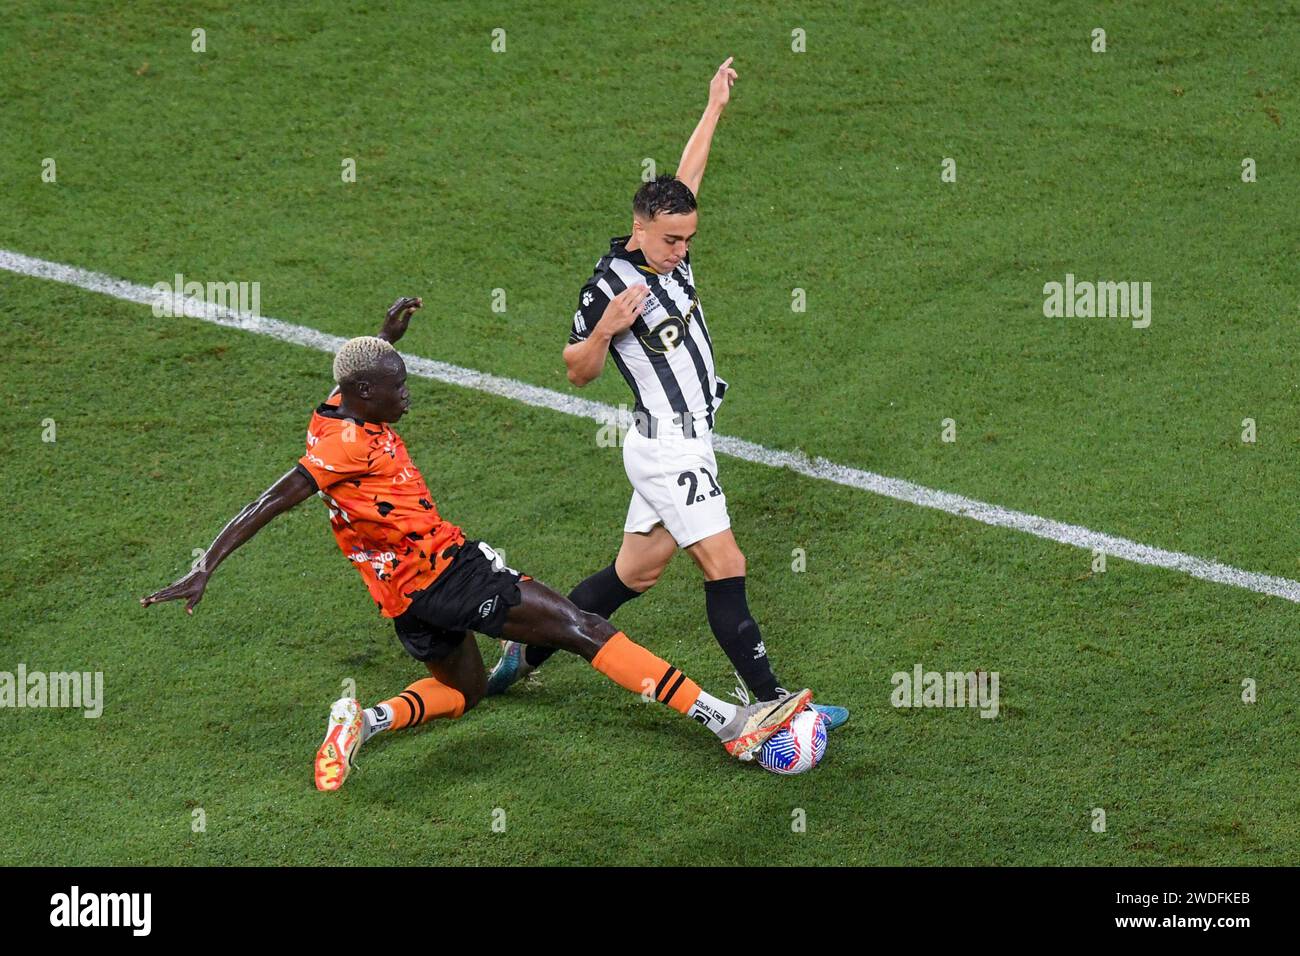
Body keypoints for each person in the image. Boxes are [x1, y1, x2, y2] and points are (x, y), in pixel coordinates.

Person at [141, 297, 814, 791]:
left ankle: (363, 720)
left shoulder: (334, 408)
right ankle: (728, 722)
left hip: (402, 599)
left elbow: (356, 377)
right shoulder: (342, 446)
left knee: (464, 691)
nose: (407, 396)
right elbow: (274, 498)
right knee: (583, 629)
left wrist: (383, 337)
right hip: (446, 572)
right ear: (365, 395)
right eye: (396, 387)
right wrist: (207, 563)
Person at [487, 59, 848, 730]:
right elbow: (576, 370)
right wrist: (604, 332)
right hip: (669, 447)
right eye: (672, 240)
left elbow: (691, 173)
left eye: (689, 239)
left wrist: (713, 106)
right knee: (725, 562)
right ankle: (767, 701)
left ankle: (527, 651)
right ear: (640, 226)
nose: (683, 250)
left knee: (633, 575)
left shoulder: (670, 242)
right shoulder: (609, 285)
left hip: (685, 439)